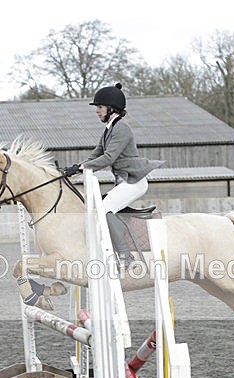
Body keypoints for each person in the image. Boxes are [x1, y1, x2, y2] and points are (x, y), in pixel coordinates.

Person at [63, 83, 164, 266]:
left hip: (135, 181)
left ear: (112, 109)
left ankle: (126, 257)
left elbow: (108, 158)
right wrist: (75, 167)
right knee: (99, 207)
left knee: (104, 208)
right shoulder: (108, 130)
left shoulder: (122, 128)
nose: (97, 111)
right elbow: (97, 154)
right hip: (124, 181)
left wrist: (82, 168)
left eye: (100, 107)